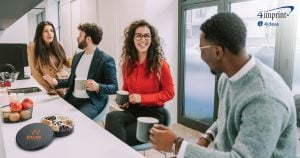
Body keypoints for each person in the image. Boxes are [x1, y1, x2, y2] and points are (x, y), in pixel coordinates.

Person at [150, 12, 297, 158]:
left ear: (218, 52)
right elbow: (226, 118)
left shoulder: (265, 98)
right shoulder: (228, 77)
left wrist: (178, 145)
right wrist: (206, 137)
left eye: (201, 49)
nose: (200, 56)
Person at [105, 20, 175, 146]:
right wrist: (124, 101)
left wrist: (141, 98)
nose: (143, 39)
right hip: (133, 111)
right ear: (132, 39)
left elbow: (169, 93)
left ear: (152, 39)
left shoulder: (161, 65)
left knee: (118, 136)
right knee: (111, 117)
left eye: (147, 35)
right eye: (138, 35)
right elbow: (126, 89)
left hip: (153, 115)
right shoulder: (128, 65)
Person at [43, 23, 118, 119]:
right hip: (73, 98)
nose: (77, 38)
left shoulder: (106, 60)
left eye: (80, 35)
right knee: (54, 116)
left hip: (91, 101)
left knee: (78, 120)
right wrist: (56, 82)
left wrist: (98, 86)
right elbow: (71, 81)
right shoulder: (77, 57)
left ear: (88, 39)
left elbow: (114, 87)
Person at [27, 21, 70, 96]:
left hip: (64, 82)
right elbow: (35, 72)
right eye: (45, 31)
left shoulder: (58, 44)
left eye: (52, 30)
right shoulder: (32, 47)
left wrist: (75, 60)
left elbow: (66, 62)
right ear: (40, 33)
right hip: (50, 85)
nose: (50, 33)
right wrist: (49, 89)